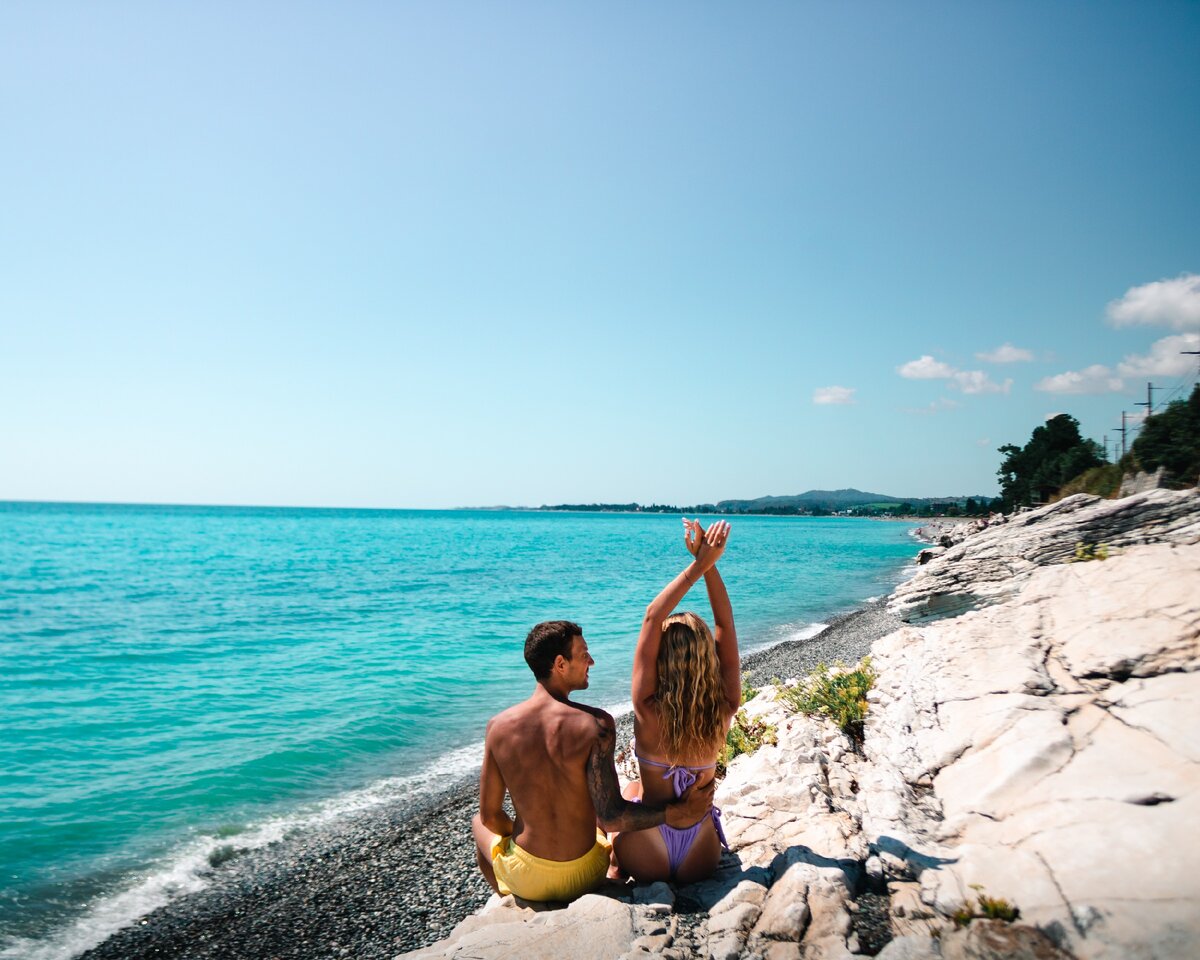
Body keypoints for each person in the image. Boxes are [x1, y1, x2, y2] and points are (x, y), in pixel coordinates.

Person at [472, 620, 715, 902]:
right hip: (587, 874)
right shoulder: (596, 724)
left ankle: (506, 898)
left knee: (479, 820)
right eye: (584, 653)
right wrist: (674, 814)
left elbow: (491, 816)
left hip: (529, 879)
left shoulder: (498, 727)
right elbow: (610, 816)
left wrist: (519, 836)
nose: (593, 661)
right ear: (560, 664)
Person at [612, 519, 740, 884]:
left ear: (661, 660)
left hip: (645, 854)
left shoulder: (647, 707)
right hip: (701, 854)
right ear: (706, 657)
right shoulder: (724, 708)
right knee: (634, 790)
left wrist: (699, 564)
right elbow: (725, 626)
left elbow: (653, 617)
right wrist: (711, 564)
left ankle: (614, 867)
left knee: (629, 793)